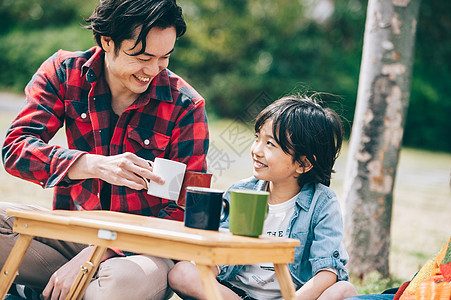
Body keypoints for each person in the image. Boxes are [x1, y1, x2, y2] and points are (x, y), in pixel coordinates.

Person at [0, 0, 209, 299]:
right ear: (106, 40)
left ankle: (33, 288)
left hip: (140, 251)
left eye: (164, 57)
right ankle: (57, 285)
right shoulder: (63, 73)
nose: (152, 69)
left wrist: (101, 253)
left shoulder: (185, 106)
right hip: (72, 232)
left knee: (121, 282)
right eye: (142, 56)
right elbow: (15, 149)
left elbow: (185, 209)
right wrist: (93, 164)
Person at [168, 94, 358, 299]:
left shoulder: (322, 203)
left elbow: (327, 271)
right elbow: (219, 257)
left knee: (344, 290)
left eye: (270, 144)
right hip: (235, 293)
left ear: (303, 164)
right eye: (257, 137)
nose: (257, 150)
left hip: (293, 294)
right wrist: (205, 274)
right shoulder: (240, 192)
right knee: (182, 272)